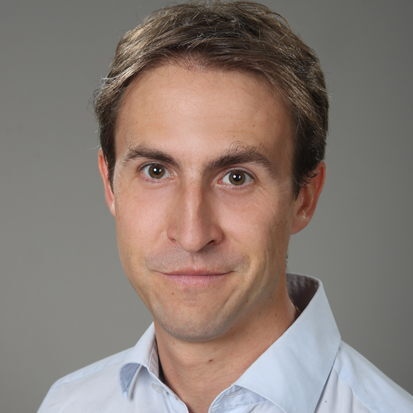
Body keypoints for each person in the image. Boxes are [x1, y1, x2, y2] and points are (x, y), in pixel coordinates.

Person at [38, 1, 413, 412]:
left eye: (236, 177)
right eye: (156, 171)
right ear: (110, 185)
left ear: (304, 197)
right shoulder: (68, 404)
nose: (192, 234)